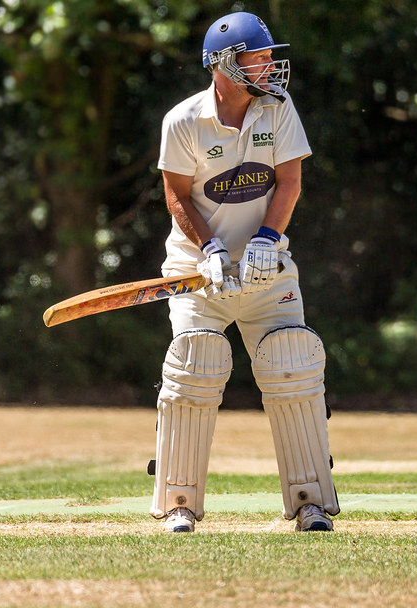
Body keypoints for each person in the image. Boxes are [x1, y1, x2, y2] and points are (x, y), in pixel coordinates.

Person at [150, 11, 339, 533]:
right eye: (258, 56)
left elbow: (289, 181)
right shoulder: (183, 120)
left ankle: (310, 503)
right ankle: (179, 503)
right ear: (224, 65)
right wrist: (210, 249)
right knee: (195, 367)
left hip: (266, 268)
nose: (269, 65)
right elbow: (176, 196)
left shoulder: (277, 109)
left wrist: (268, 239)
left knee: (292, 364)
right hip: (197, 272)